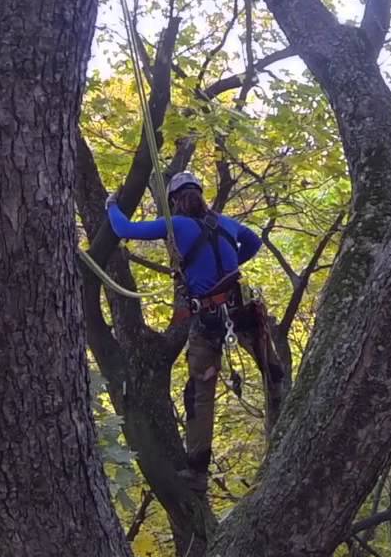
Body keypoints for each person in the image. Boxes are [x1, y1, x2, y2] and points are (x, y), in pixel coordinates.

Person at [106, 172, 287, 493]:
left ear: (175, 200)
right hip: (241, 308)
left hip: (208, 319)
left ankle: (198, 472)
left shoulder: (177, 225)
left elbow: (124, 230)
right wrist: (231, 267)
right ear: (201, 195)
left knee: (200, 395)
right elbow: (255, 242)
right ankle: (285, 408)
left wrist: (111, 205)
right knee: (272, 370)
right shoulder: (226, 223)